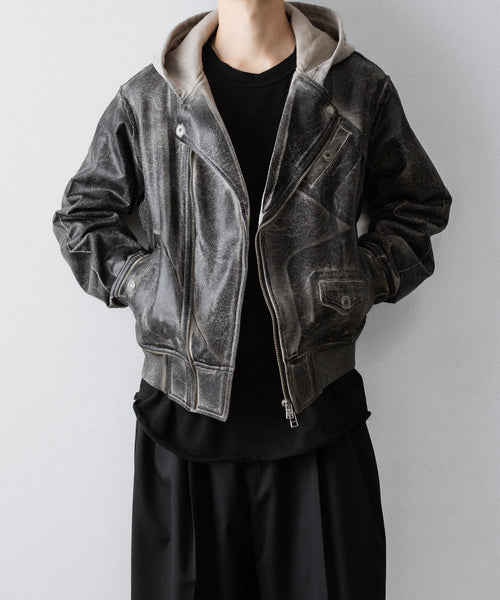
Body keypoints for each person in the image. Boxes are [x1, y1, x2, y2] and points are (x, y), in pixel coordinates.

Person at [52, 1, 452, 598]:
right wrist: (146, 287)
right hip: (182, 424)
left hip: (319, 417)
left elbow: (417, 206)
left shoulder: (355, 88)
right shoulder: (152, 98)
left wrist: (353, 282)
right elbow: (82, 218)